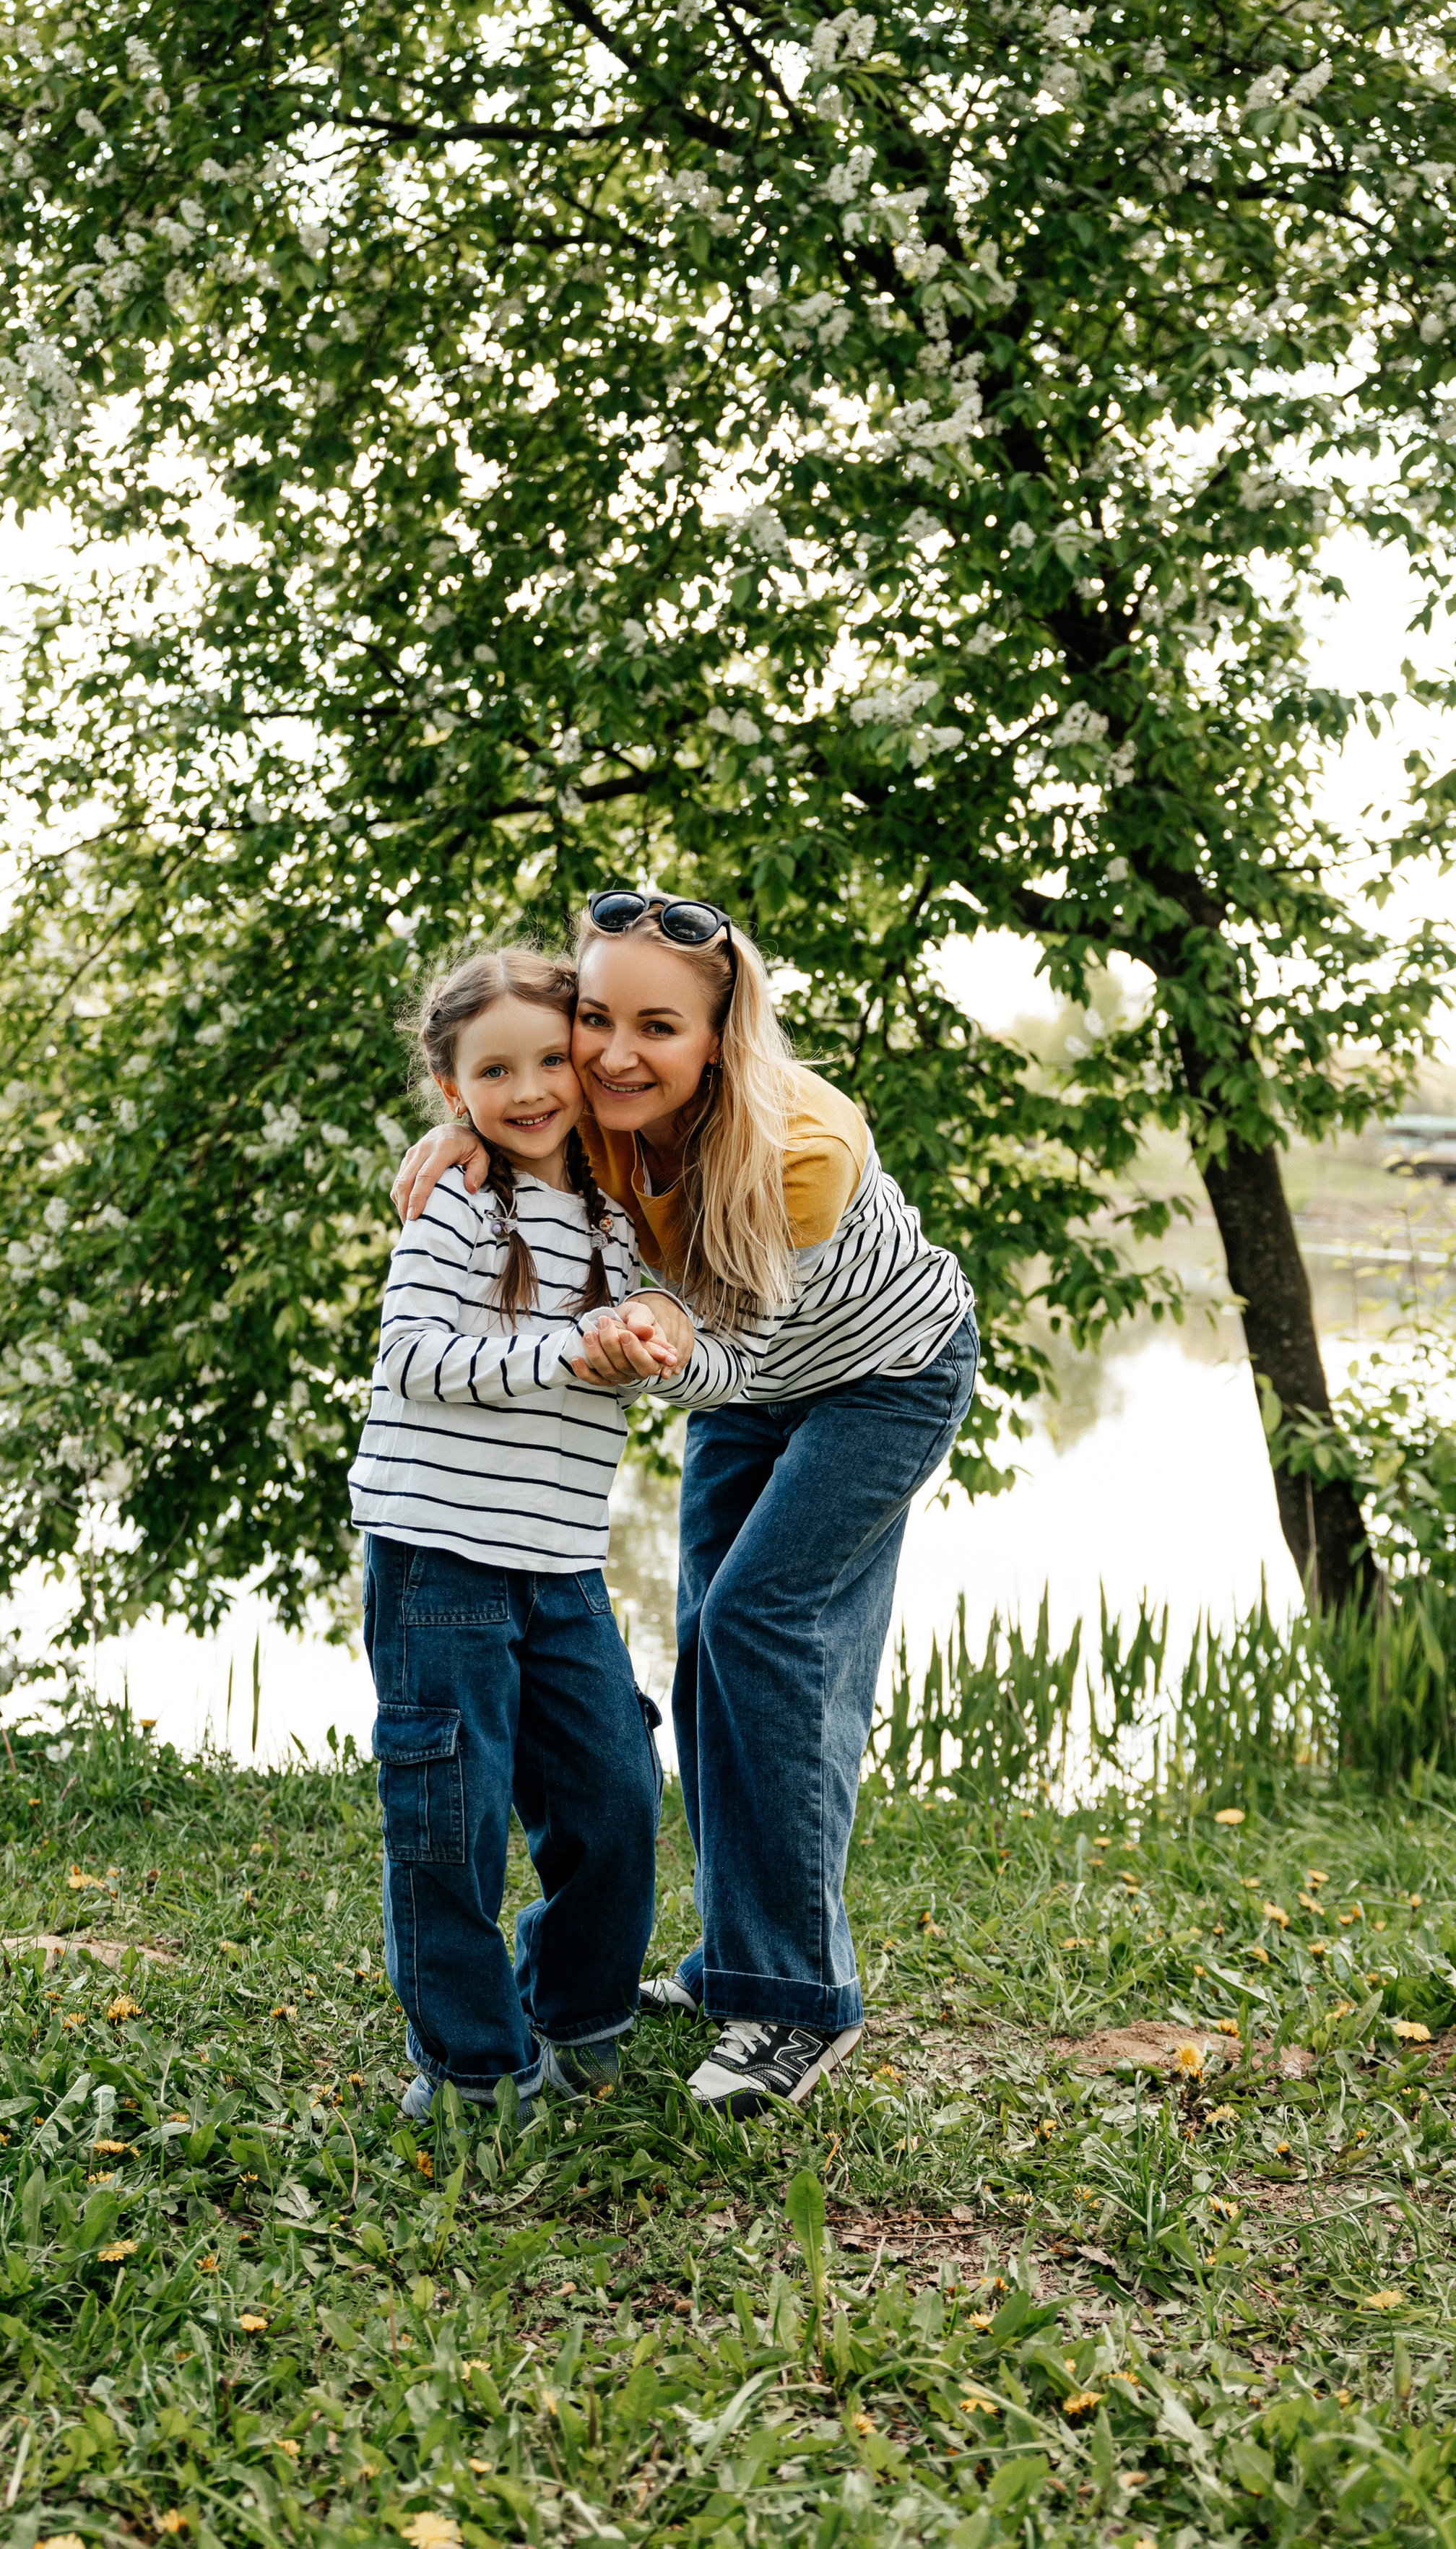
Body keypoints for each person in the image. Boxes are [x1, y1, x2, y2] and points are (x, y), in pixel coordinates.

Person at [392, 891, 979, 2117]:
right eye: (596, 1019)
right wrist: (460, 1139)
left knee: (761, 1625)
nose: (612, 1055)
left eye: (657, 1027)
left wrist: (636, 1338)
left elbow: (728, 1354)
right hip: (750, 1386)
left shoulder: (800, 1154)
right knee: (708, 1643)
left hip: (882, 1378)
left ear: (719, 1037)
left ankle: (799, 2001)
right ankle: (735, 1962)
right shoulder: (602, 1116)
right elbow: (516, 1114)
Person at [352, 945, 685, 2122]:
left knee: (615, 1792)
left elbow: (653, 1326)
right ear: (455, 1091)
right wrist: (569, 1350)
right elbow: (413, 1358)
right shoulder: (455, 1202)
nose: (532, 1088)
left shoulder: (618, 1215)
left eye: (552, 1059)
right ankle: (472, 2067)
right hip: (438, 1555)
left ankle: (579, 2016)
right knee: (448, 1816)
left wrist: (641, 1340)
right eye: (496, 1071)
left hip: (560, 1561)